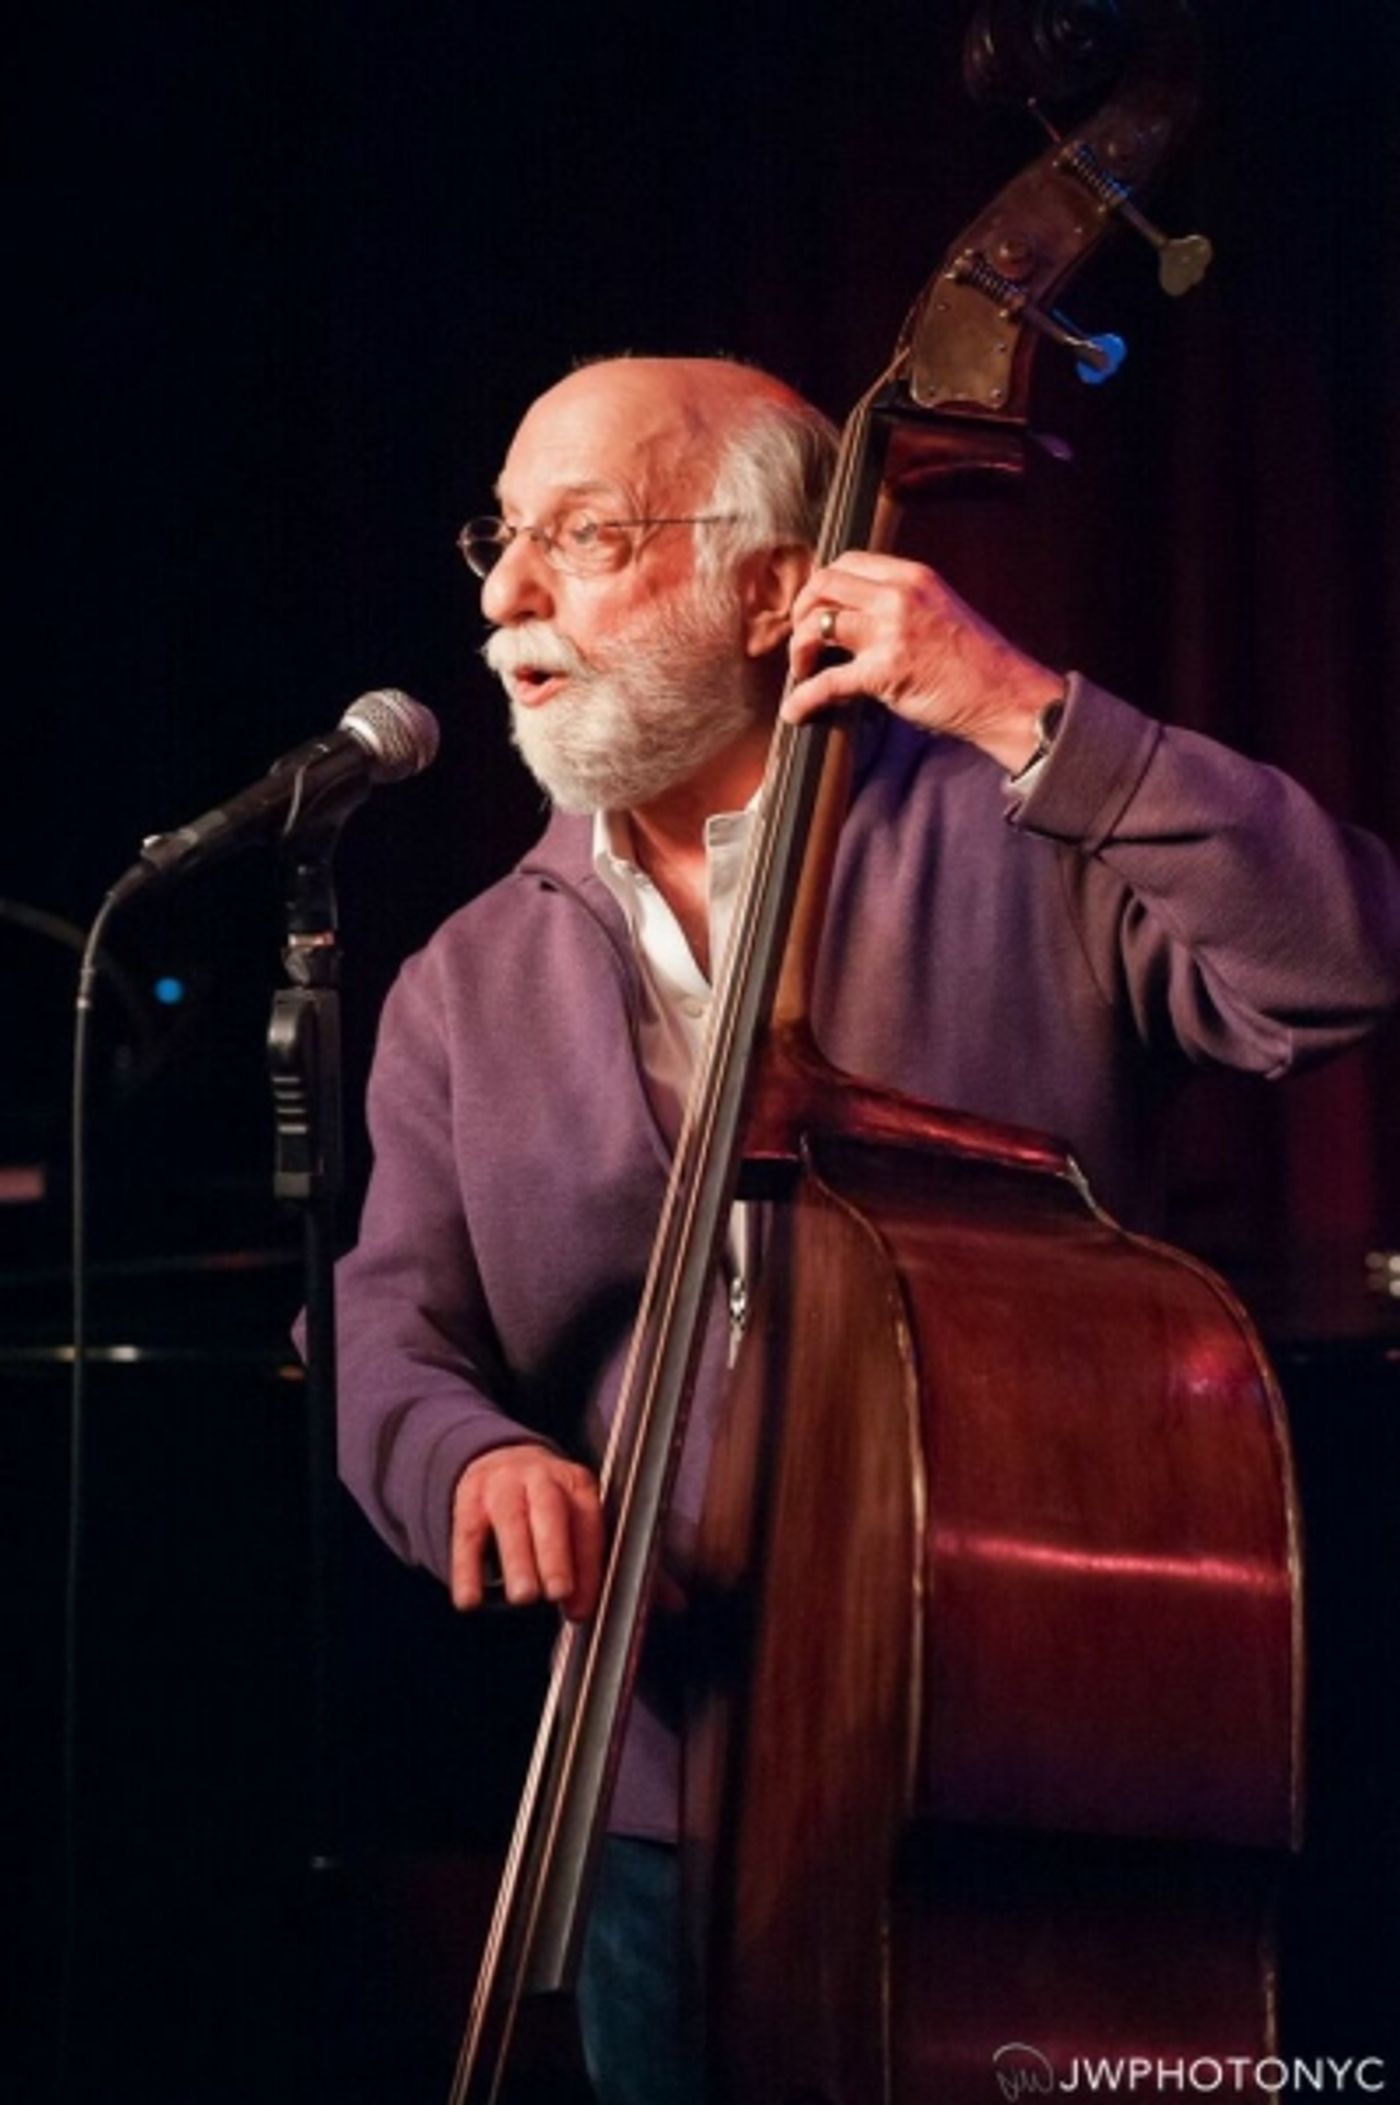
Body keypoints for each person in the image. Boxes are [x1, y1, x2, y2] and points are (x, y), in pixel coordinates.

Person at [332, 355, 1399, 2104]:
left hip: (1046, 1748)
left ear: (776, 588)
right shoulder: (467, 978)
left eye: (581, 537)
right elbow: (390, 1333)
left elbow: (1345, 962)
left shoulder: (1027, 836)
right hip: (666, 1787)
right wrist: (464, 1461)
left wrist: (1030, 715)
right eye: (501, 541)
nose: (507, 596)